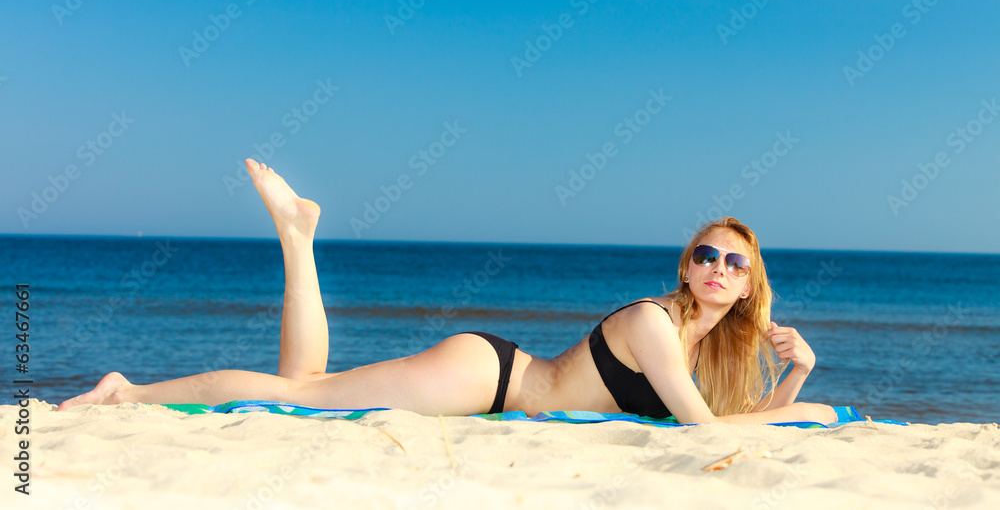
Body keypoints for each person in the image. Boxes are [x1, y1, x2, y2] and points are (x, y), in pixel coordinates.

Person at [59, 159, 837, 425]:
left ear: (746, 288)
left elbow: (733, 418)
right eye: (706, 253)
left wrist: (799, 374)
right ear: (685, 264)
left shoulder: (695, 337)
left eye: (734, 264)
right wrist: (805, 409)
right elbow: (707, 427)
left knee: (297, 393)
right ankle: (128, 394)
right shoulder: (653, 322)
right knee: (301, 396)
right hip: (486, 378)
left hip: (494, 384)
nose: (717, 268)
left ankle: (297, 237)